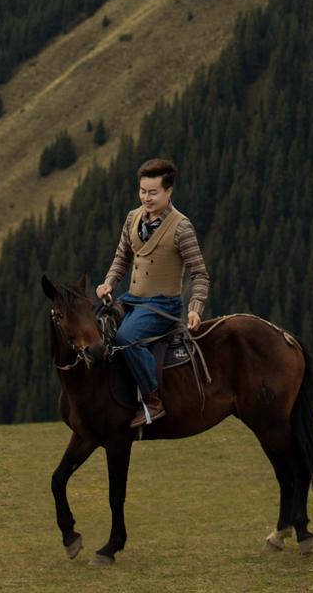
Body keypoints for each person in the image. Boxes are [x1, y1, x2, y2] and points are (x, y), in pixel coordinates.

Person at [96, 157, 209, 428]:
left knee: (127, 337)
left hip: (163, 306)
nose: (146, 197)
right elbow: (122, 257)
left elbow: (200, 274)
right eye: (142, 191)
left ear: (169, 191)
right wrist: (109, 282)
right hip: (131, 299)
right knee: (97, 326)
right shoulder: (132, 218)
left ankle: (153, 401)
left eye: (153, 192)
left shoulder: (182, 228)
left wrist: (195, 308)